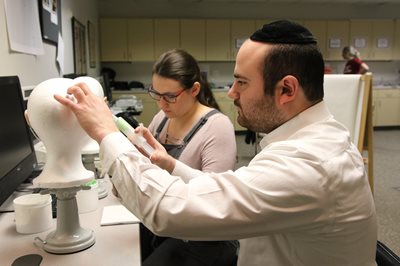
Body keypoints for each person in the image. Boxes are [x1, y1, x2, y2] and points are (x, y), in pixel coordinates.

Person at [54, 20, 377, 266]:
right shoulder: (314, 136)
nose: (232, 93)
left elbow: (170, 211)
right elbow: (234, 187)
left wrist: (106, 132)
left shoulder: (309, 163)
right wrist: (172, 165)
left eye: (242, 82)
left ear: (286, 90)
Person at [140, 49, 239, 266]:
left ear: (194, 89)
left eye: (170, 97)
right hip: (167, 222)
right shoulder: (162, 118)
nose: (161, 104)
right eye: (156, 94)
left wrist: (170, 164)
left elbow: (216, 198)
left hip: (203, 236)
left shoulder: (217, 126)